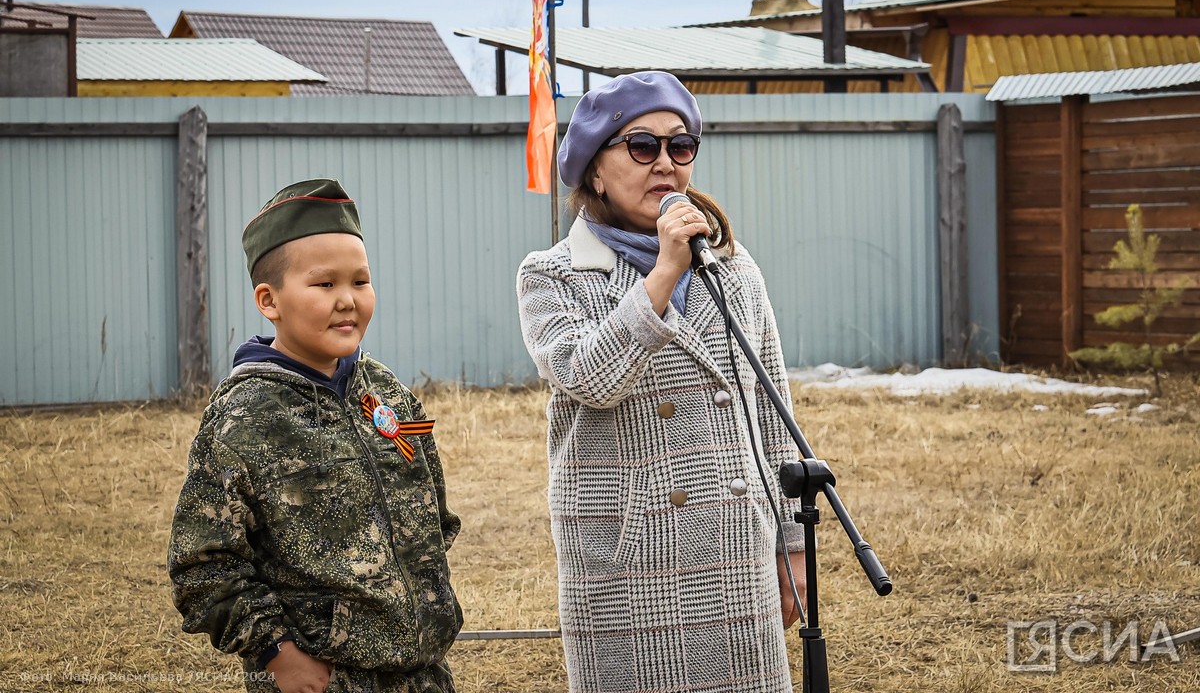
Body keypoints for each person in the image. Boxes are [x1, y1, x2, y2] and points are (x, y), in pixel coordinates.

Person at [516, 71, 807, 693]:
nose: (665, 164)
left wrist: (792, 544)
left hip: (735, 549)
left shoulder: (731, 263)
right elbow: (587, 377)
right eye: (642, 147)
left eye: (681, 146)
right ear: (595, 169)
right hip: (629, 562)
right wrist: (662, 279)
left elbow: (773, 406)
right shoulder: (553, 275)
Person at [168, 179, 462, 693]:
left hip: (424, 677)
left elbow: (434, 514)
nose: (348, 300)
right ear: (269, 300)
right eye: (324, 285)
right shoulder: (243, 418)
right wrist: (276, 654)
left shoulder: (390, 393)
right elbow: (203, 567)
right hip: (323, 682)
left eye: (361, 282)